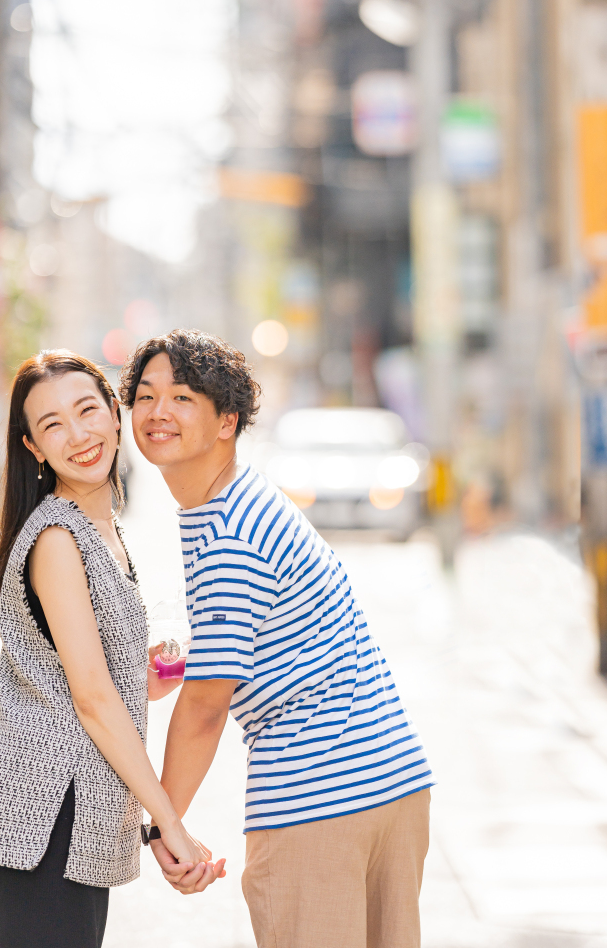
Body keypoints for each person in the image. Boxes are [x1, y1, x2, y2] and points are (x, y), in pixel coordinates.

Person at [119, 329, 433, 948]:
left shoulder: (229, 533)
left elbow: (207, 707)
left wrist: (163, 828)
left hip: (320, 803)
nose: (159, 412)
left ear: (226, 421)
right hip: (390, 780)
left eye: (182, 398)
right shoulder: (248, 501)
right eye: (146, 395)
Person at [0, 351, 224, 948]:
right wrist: (168, 824)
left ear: (114, 415)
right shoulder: (56, 537)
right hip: (39, 817)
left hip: (64, 818)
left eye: (86, 411)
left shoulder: (103, 529)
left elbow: (84, 673)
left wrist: (152, 670)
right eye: (52, 425)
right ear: (33, 448)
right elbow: (94, 699)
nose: (78, 435)